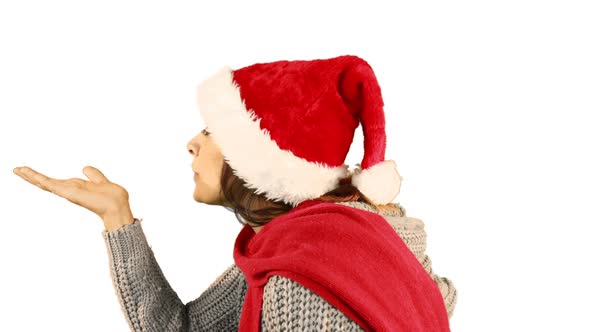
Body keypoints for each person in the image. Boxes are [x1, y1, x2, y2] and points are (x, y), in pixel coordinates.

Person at [13, 54, 457, 331]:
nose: (192, 142)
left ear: (262, 157)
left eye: (213, 130)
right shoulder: (305, 251)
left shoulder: (305, 277)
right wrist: (118, 218)